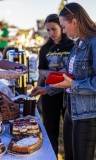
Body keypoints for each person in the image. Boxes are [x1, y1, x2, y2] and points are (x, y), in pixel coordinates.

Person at [53, 3, 96, 160]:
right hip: (73, 108)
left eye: (63, 26)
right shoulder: (78, 45)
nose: (63, 31)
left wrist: (73, 85)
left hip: (88, 112)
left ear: (74, 21)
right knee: (70, 156)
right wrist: (48, 87)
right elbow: (76, 75)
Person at [30, 14, 74, 157]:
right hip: (49, 93)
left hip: (69, 93)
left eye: (53, 29)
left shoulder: (72, 45)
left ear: (62, 27)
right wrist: (51, 74)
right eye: (48, 30)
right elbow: (40, 69)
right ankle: (52, 156)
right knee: (50, 131)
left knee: (71, 133)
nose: (51, 33)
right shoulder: (45, 48)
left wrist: (61, 74)